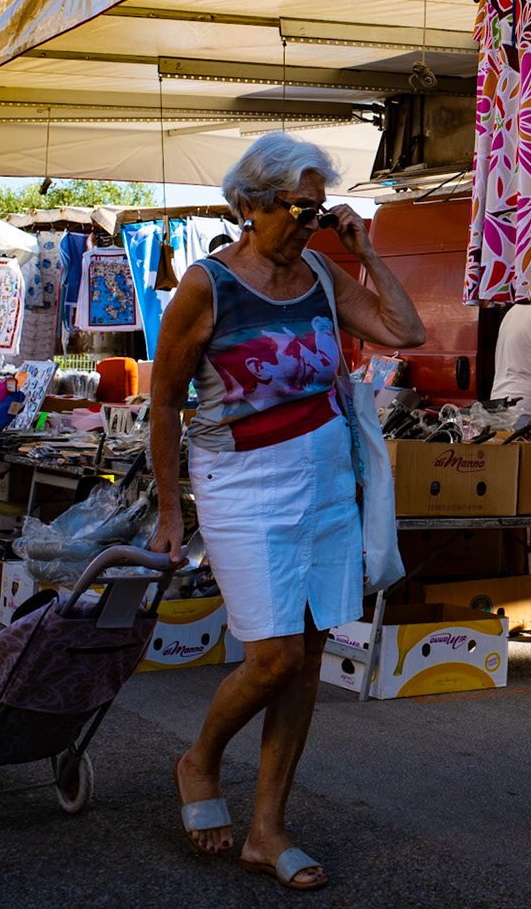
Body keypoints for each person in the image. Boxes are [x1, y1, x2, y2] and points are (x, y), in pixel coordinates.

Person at [149, 135, 425, 892]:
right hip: (241, 482)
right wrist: (172, 510)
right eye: (298, 207)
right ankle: (200, 759)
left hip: (326, 481)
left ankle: (267, 829)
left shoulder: (321, 273)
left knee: (304, 661)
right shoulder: (207, 287)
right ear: (250, 205)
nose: (310, 221)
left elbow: (407, 332)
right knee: (275, 657)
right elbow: (165, 403)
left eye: (318, 207)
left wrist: (365, 250)